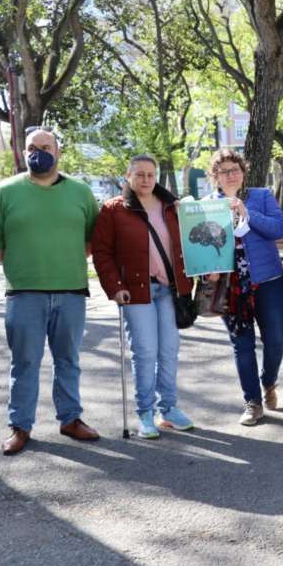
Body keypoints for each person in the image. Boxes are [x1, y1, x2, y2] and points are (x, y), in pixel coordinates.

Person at [0, 128, 101, 455]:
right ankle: (20, 426)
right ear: (23, 152)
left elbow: (94, 236)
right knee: (25, 362)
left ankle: (71, 419)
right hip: (24, 293)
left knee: (68, 360)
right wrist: (19, 260)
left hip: (71, 292)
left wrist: (65, 258)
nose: (38, 152)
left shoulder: (80, 192)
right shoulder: (6, 191)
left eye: (46, 147)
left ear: (58, 151)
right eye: (32, 147)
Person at [91, 155, 194, 439]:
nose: (146, 179)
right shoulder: (114, 209)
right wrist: (115, 286)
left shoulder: (172, 207)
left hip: (169, 290)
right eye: (139, 174)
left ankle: (168, 409)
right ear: (128, 176)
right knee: (146, 352)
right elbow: (102, 252)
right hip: (136, 291)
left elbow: (191, 242)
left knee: (169, 351)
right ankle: (145, 412)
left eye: (150, 174)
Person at [206, 149, 283, 426]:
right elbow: (198, 247)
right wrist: (208, 271)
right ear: (215, 176)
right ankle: (252, 401)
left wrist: (246, 212)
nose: (230, 175)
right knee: (242, 345)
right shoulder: (207, 206)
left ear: (243, 172)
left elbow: (278, 229)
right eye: (224, 171)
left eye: (235, 169)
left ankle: (268, 381)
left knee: (276, 340)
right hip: (230, 287)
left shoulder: (261, 196)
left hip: (268, 281)